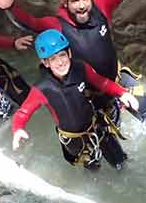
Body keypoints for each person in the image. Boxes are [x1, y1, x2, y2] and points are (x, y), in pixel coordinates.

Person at [0, 0, 146, 135]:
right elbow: (31, 23)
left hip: (117, 78)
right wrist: (10, 7)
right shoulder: (56, 25)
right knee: (108, 139)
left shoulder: (101, 6)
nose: (82, 6)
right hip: (89, 92)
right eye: (75, 1)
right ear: (66, 3)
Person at [12, 29, 138, 171]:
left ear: (69, 54)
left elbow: (102, 82)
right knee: (93, 168)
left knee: (120, 162)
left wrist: (122, 93)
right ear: (45, 63)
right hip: (74, 140)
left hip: (95, 127)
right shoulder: (42, 88)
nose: (60, 62)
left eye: (62, 55)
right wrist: (18, 129)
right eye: (53, 59)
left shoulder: (81, 68)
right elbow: (24, 112)